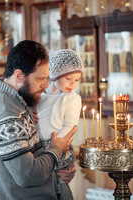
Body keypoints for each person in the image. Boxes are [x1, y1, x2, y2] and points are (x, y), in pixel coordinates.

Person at [0, 40, 77, 200]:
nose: (46, 85)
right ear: (19, 75)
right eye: (41, 79)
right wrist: (56, 151)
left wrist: (63, 165)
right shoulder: (7, 113)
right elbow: (27, 175)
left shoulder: (18, 101)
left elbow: (41, 149)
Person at [35, 49, 84, 200]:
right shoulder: (39, 95)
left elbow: (70, 126)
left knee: (59, 183)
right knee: (44, 183)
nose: (73, 84)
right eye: (69, 78)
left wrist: (54, 146)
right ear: (54, 74)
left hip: (60, 148)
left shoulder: (72, 99)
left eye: (77, 80)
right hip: (39, 147)